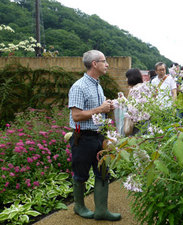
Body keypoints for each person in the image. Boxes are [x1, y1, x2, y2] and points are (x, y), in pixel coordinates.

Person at [68, 50, 121, 221]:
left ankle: (101, 211)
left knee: (103, 172)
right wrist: (99, 109)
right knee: (81, 175)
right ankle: (79, 207)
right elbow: (76, 115)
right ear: (94, 64)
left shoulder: (97, 84)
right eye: (104, 61)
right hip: (82, 138)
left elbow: (98, 111)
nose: (107, 65)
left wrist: (108, 107)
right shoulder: (79, 86)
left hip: (99, 136)